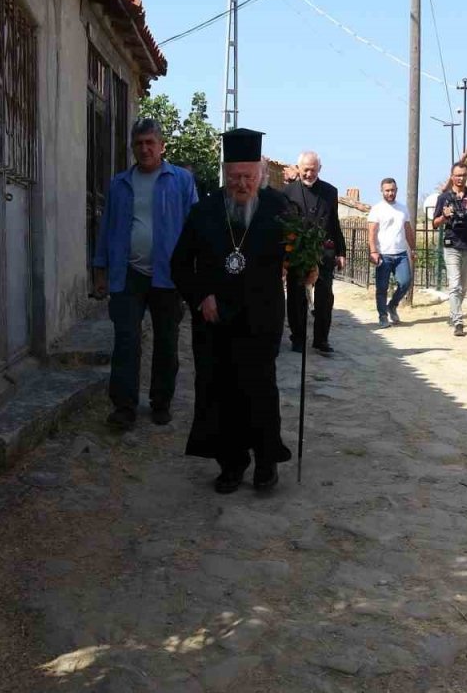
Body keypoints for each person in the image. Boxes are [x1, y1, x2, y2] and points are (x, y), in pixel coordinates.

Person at [171, 128, 307, 494]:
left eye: (248, 177)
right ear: (225, 175)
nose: (241, 185)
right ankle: (231, 463)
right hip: (216, 319)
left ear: (261, 175)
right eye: (234, 178)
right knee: (221, 390)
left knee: (259, 388)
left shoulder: (280, 209)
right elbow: (180, 264)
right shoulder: (205, 211)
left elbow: (299, 256)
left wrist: (308, 267)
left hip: (262, 316)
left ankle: (265, 463)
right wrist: (202, 296)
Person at [92, 118, 199, 430]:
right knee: (126, 339)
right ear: (132, 147)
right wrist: (100, 270)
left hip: (169, 276)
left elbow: (195, 228)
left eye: (150, 142)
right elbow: (107, 228)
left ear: (162, 146)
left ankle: (160, 402)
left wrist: (193, 273)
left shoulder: (181, 181)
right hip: (128, 274)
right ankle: (124, 407)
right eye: (139, 143)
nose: (144, 148)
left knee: (166, 341)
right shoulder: (119, 184)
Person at [283, 152, 346, 354]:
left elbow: (334, 223)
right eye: (305, 169)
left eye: (313, 169)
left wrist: (341, 251)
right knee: (296, 297)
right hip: (297, 253)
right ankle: (298, 338)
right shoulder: (287, 192)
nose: (309, 173)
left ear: (320, 168)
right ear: (299, 168)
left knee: (325, 297)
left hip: (323, 253)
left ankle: (321, 339)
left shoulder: (329, 192)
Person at [432, 163, 467, 337]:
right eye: (457, 175)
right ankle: (458, 321)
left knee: (463, 287)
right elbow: (434, 223)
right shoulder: (444, 198)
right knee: (455, 284)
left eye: (463, 175)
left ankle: (453, 313)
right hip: (451, 245)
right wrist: (444, 216)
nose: (460, 178)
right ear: (452, 176)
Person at [367, 177, 415, 328]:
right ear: (382, 191)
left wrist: (413, 249)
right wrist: (373, 251)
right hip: (383, 254)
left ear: (396, 190)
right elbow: (372, 232)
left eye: (392, 190)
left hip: (400, 254)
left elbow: (407, 230)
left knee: (405, 282)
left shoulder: (403, 208)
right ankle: (383, 316)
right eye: (387, 190)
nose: (390, 193)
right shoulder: (377, 209)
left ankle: (392, 305)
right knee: (382, 287)